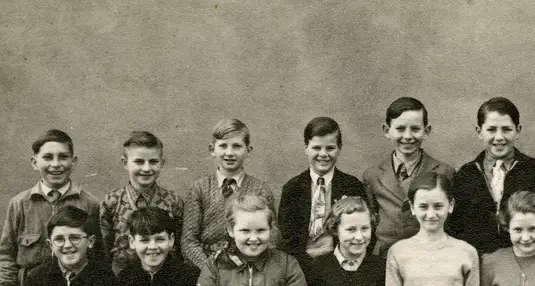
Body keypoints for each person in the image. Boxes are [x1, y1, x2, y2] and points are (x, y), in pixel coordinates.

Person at [0, 129, 102, 286]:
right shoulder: (19, 204)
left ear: (74, 161)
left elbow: (98, 256)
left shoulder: (91, 204)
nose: (56, 164)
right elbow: (7, 254)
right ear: (34, 162)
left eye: (63, 157)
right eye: (48, 157)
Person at [448, 96, 535, 254]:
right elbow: (455, 227)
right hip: (478, 262)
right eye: (491, 130)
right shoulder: (466, 174)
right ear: (479, 131)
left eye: (506, 129)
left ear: (517, 130)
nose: (499, 137)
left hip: (525, 259)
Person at [362, 97, 454, 256]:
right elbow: (370, 222)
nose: (408, 136)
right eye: (400, 129)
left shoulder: (444, 172)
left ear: (426, 131)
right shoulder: (372, 175)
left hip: (430, 256)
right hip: (385, 259)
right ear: (386, 130)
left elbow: (451, 224)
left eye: (415, 129)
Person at [181, 118, 276, 269]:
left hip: (249, 265)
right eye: (223, 146)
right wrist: (209, 270)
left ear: (248, 151)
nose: (229, 153)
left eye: (237, 146)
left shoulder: (260, 190)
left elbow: (272, 236)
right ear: (212, 150)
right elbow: (188, 241)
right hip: (206, 267)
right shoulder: (199, 188)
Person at [278, 117, 366, 259]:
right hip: (301, 264)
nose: (323, 154)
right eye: (316, 148)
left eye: (330, 148)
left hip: (340, 262)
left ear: (339, 148)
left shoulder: (352, 186)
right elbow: (288, 239)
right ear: (306, 148)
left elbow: (363, 231)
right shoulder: (292, 188)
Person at [99, 131, 184, 274]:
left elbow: (180, 248)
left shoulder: (173, 201)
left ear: (162, 163)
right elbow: (104, 249)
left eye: (153, 161)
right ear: (125, 163)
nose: (146, 168)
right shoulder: (111, 202)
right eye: (139, 161)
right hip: (121, 281)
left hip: (164, 280)